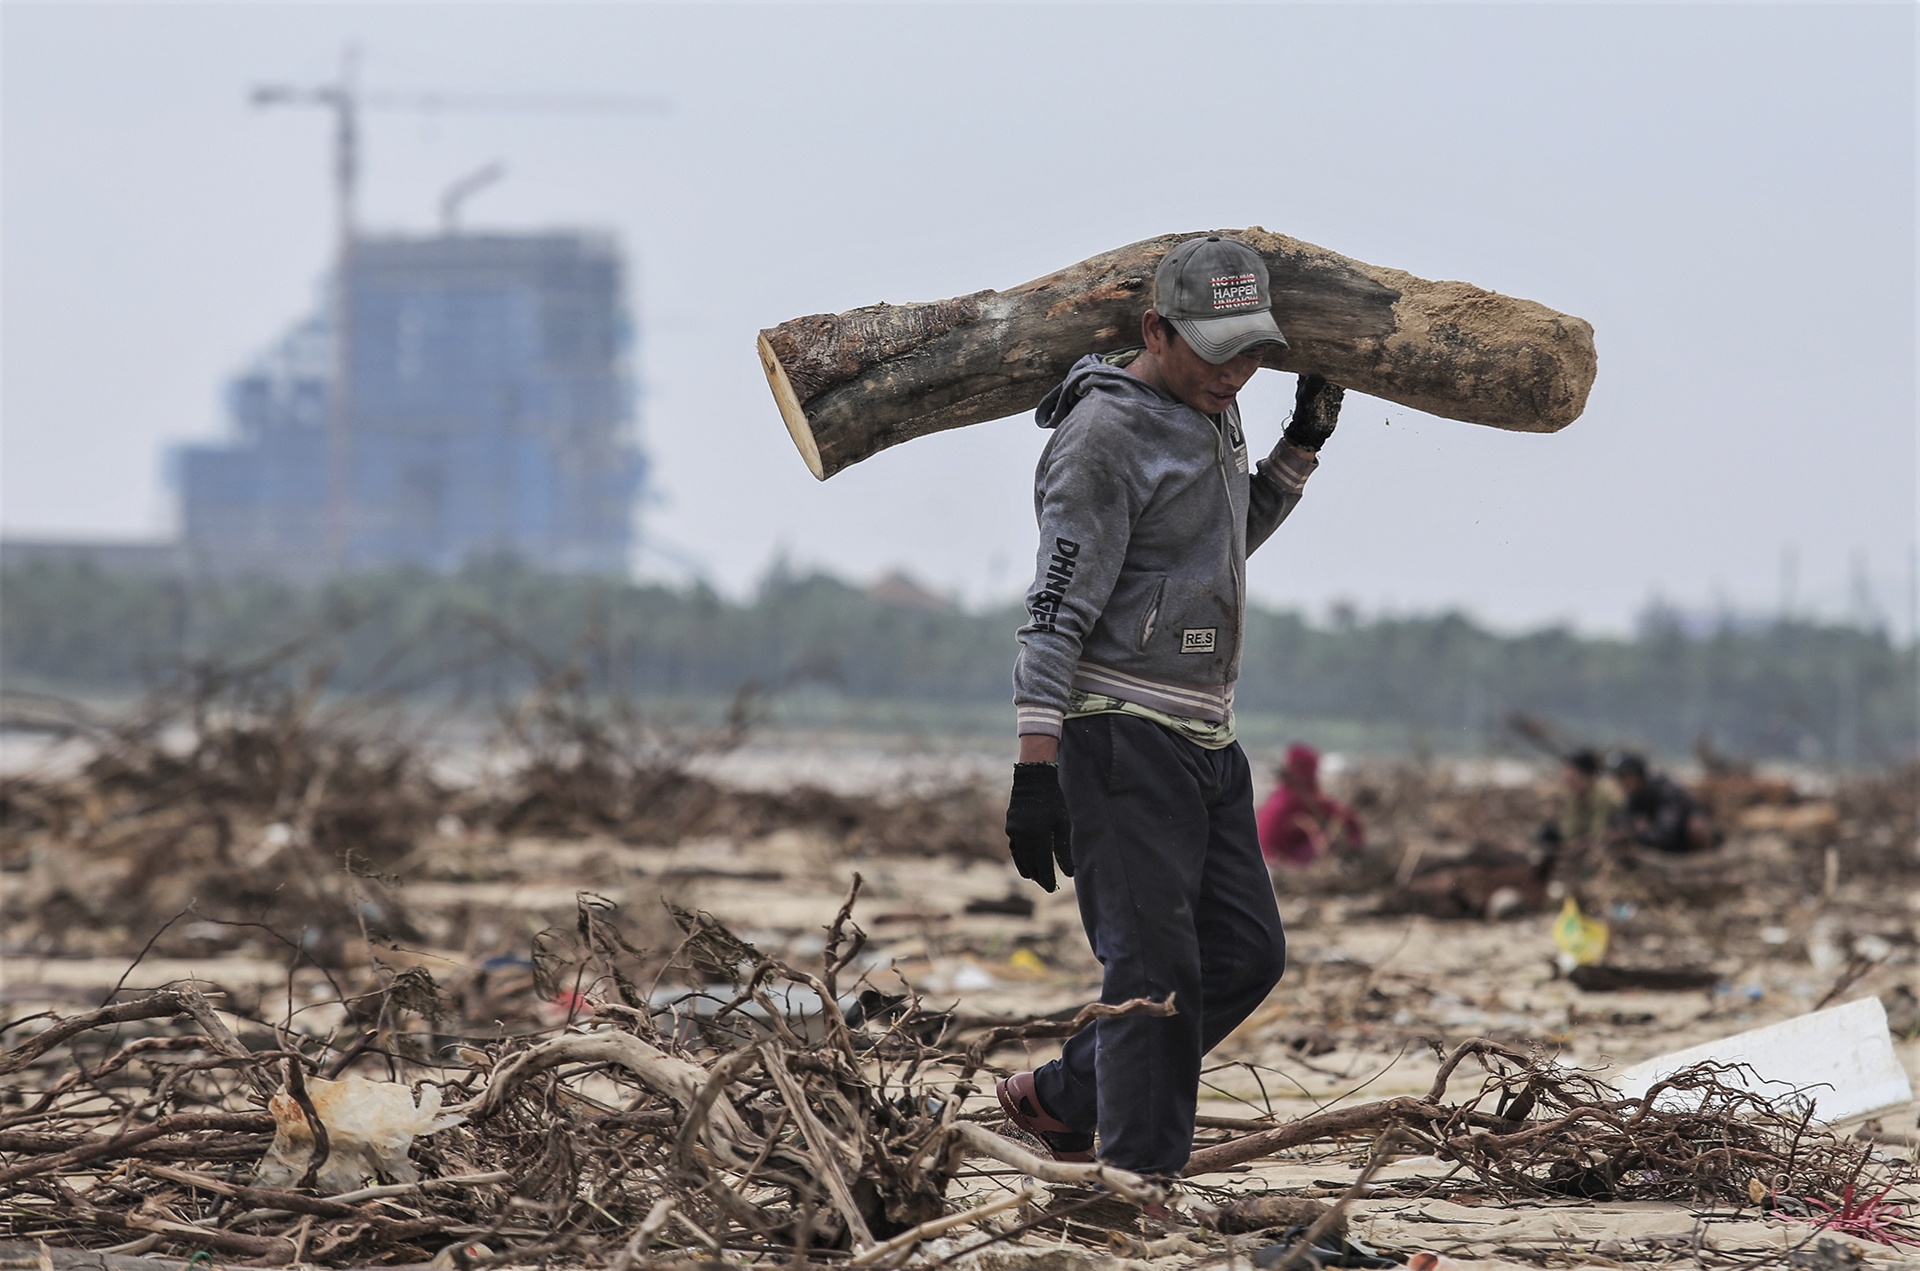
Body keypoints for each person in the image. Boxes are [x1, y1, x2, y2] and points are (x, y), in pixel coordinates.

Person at [996, 234, 1342, 1181]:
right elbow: (1054, 610)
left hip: (1207, 736)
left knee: (1245, 952)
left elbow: (1216, 548)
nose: (1238, 370)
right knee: (1153, 982)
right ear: (1155, 327)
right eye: (1216, 347)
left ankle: (1065, 1098)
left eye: (1254, 351)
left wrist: (1299, 447)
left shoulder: (1213, 408)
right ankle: (1135, 1187)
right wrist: (1035, 768)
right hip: (1118, 734)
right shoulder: (1103, 436)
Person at [1255, 743, 1365, 867]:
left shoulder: (1281, 795)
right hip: (1279, 862)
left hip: (1265, 857)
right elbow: (1345, 816)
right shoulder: (1297, 798)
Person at [1609, 751, 1718, 854]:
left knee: (1696, 825)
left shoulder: (1665, 792)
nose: (1622, 783)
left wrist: (1636, 833)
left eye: (1625, 777)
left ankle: (1706, 860)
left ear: (1638, 776)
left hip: (1683, 841)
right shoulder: (1634, 798)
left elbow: (1665, 834)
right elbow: (1626, 823)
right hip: (1667, 847)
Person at [1534, 747, 1621, 871]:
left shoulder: (1602, 797)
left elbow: (1599, 830)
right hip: (1580, 840)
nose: (1569, 784)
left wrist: (1587, 842)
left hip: (1604, 844)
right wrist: (1571, 844)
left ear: (1587, 777)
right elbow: (1569, 827)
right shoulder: (1572, 796)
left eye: (1573, 779)